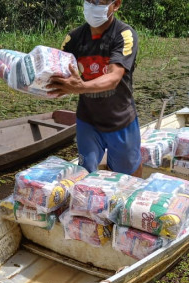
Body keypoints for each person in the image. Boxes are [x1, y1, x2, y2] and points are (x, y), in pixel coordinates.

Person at [48, 0, 142, 178]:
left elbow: (114, 77)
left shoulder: (124, 35)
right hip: (88, 121)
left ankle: (134, 200)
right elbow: (56, 68)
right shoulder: (73, 38)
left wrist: (80, 87)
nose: (93, 5)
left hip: (120, 121)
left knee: (128, 174)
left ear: (116, 5)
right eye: (89, 0)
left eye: (100, 1)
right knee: (85, 172)